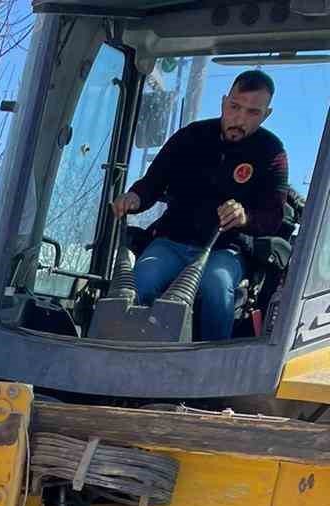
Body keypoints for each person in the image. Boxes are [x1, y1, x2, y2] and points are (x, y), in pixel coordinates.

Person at [110, 69, 289, 340]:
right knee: (139, 281)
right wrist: (134, 198)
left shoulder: (272, 153)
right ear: (223, 102)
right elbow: (153, 182)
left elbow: (273, 217)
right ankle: (126, 353)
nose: (239, 118)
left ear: (266, 114)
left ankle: (213, 369)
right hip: (171, 241)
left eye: (252, 112)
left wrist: (245, 217)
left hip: (225, 249)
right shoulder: (189, 137)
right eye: (234, 107)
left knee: (216, 286)